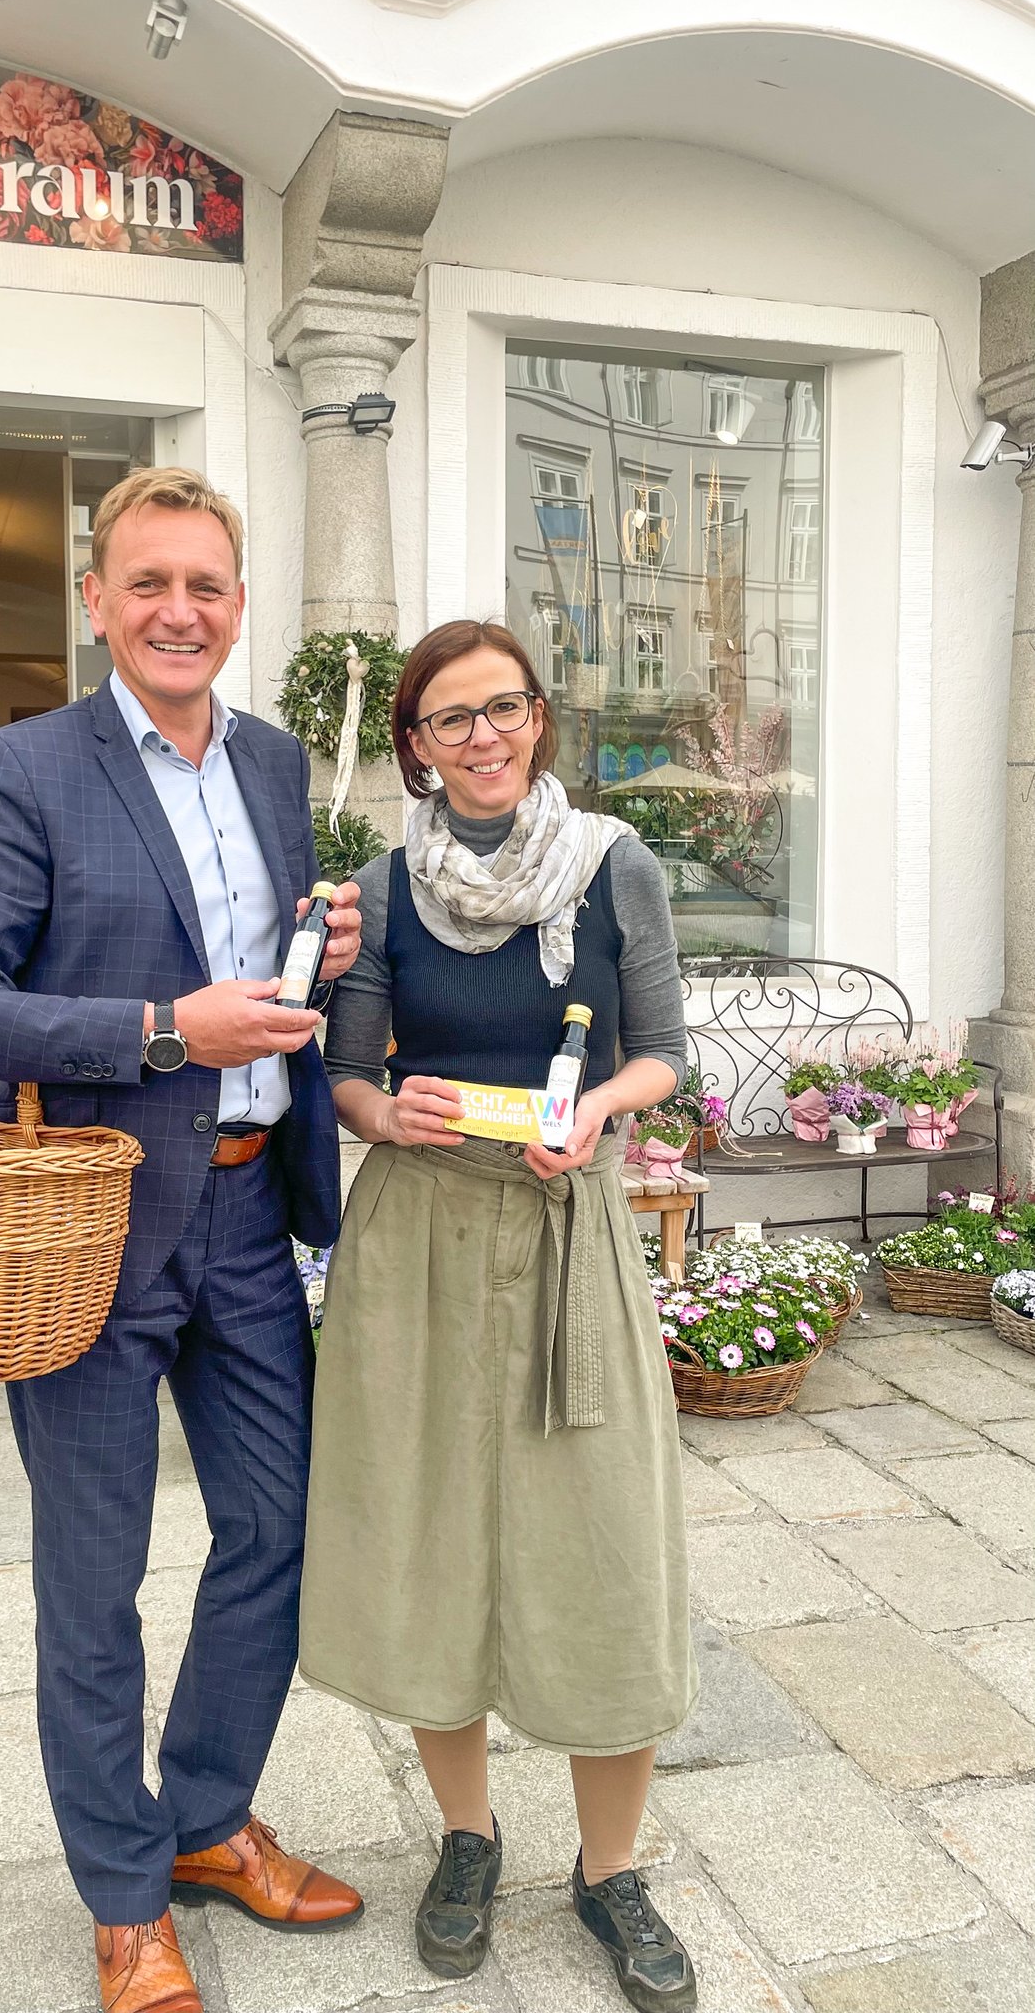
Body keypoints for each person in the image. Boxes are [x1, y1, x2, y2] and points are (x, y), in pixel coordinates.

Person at [0, 466, 366, 2013]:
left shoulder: (276, 763)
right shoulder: (29, 766)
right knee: (94, 1579)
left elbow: (264, 974)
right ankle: (123, 1894)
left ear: (240, 605)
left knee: (278, 1531)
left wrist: (319, 953)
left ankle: (207, 1819)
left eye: (206, 586)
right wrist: (167, 1029)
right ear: (98, 601)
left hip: (251, 1212)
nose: (180, 611)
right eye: (149, 583)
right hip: (90, 1222)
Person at [300, 620, 698, 2011]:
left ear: (539, 717)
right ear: (414, 745)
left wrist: (598, 1111)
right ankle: (467, 1839)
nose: (482, 737)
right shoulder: (380, 888)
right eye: (450, 719)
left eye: (504, 709)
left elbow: (665, 1052)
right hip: (416, 1234)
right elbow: (347, 1072)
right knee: (428, 1538)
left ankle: (611, 1869)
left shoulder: (611, 862)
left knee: (603, 1543)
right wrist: (380, 1112)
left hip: (565, 1223)